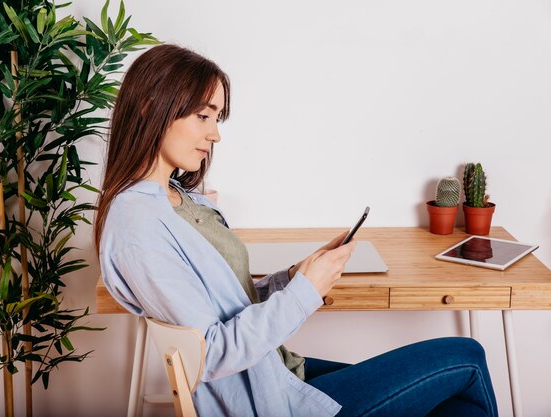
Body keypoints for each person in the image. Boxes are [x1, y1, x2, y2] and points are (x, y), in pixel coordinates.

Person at [95, 44, 498, 417]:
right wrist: (305, 292)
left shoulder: (183, 200)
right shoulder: (137, 223)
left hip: (281, 371)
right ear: (150, 108)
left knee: (455, 405)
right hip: (267, 402)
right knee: (468, 356)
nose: (215, 133)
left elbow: (235, 303)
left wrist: (295, 277)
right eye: (203, 115)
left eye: (216, 118)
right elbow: (213, 351)